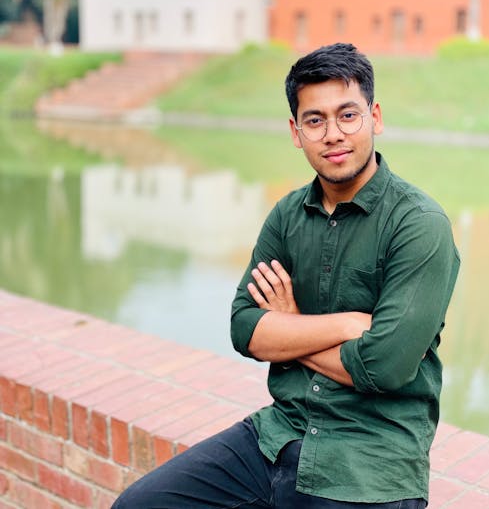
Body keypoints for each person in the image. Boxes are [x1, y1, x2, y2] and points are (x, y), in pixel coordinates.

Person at [113, 42, 460, 508]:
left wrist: (289, 326)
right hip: (278, 434)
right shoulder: (287, 215)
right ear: (296, 132)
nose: (333, 134)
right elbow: (244, 329)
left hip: (370, 459)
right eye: (315, 120)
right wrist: (344, 325)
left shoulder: (419, 225)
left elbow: (385, 366)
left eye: (348, 115)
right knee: (140, 505)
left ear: (374, 118)